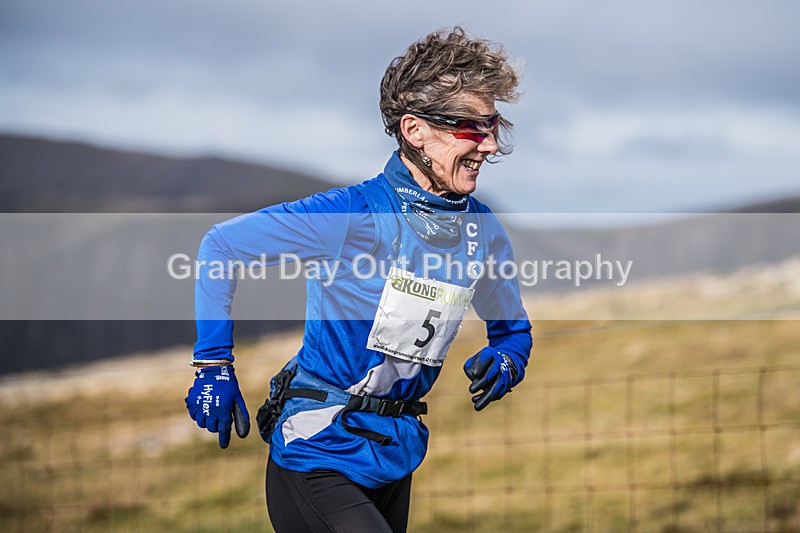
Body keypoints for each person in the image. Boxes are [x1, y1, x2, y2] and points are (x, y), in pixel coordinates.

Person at [185, 27, 532, 533]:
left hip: (395, 454)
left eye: (494, 123)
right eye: (470, 127)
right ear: (414, 130)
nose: (491, 143)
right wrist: (211, 364)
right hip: (318, 450)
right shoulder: (350, 214)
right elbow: (221, 246)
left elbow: (512, 329)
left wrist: (509, 357)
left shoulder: (483, 230)